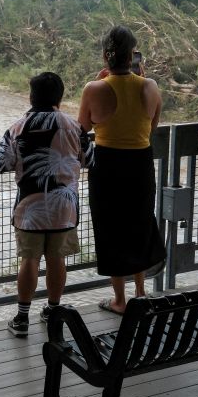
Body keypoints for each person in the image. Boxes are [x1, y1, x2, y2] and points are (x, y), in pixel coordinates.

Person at [0, 72, 90, 337]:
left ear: (31, 96)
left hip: (30, 209)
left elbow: (0, 163)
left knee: (30, 259)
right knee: (57, 258)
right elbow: (89, 159)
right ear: (60, 96)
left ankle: (22, 318)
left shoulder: (17, 127)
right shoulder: (75, 126)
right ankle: (52, 310)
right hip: (63, 208)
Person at [78, 25, 166, 315]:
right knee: (138, 224)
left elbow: (84, 126)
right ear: (133, 56)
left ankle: (119, 299)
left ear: (106, 56)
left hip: (107, 166)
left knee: (111, 228)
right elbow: (151, 126)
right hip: (140, 163)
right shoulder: (149, 86)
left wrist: (98, 83)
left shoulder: (95, 88)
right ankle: (141, 292)